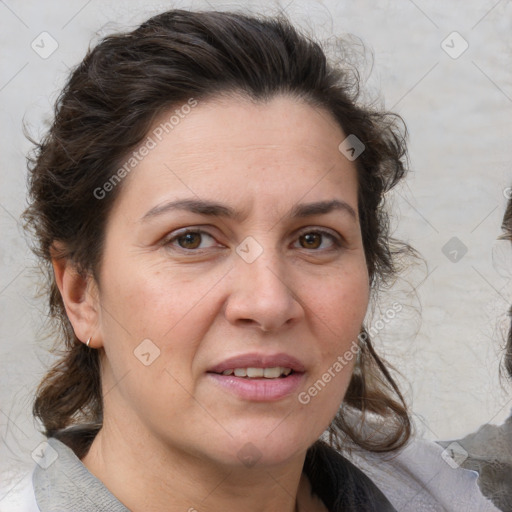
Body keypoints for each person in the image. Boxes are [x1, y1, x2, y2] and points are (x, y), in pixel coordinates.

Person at [12, 8, 499, 511]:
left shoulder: (459, 493)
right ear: (81, 294)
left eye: (313, 240)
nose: (268, 302)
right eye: (192, 240)